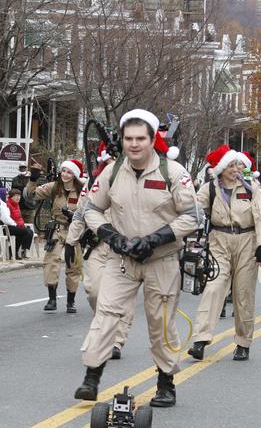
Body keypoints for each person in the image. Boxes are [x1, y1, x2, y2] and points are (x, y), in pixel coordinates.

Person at [76, 109, 200, 406]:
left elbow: (193, 216)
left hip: (162, 259)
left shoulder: (173, 172)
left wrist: (157, 238)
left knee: (161, 322)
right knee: (106, 315)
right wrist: (110, 235)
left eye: (140, 138)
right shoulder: (112, 172)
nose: (134, 144)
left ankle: (166, 382)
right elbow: (91, 208)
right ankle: (92, 377)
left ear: (151, 139)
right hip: (123, 259)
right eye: (128, 138)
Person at [188, 146, 261, 362]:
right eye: (231, 165)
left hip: (247, 241)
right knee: (214, 288)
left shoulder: (251, 186)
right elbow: (193, 210)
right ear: (221, 169)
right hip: (219, 242)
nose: (236, 169)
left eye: (237, 165)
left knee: (243, 294)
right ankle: (200, 339)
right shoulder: (210, 189)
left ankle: (243, 342)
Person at [66, 146, 132, 360]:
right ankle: (106, 328)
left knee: (119, 297)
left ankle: (117, 341)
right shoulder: (93, 183)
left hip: (125, 247)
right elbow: (80, 213)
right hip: (98, 244)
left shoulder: (135, 181)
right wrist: (70, 241)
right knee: (94, 291)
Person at [25, 158, 86, 313]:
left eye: (69, 172)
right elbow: (30, 195)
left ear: (75, 175)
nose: (65, 174)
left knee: (74, 266)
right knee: (51, 264)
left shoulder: (83, 190)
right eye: (64, 171)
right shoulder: (53, 187)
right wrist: (33, 178)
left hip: (75, 231)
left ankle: (70, 301)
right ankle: (52, 299)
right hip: (57, 231)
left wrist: (75, 216)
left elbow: (92, 208)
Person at [2, 189, 35, 258]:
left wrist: (20, 224)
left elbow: (19, 218)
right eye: (16, 196)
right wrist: (16, 224)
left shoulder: (16, 205)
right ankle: (13, 251)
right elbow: (7, 219)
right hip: (8, 227)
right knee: (24, 232)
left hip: (16, 226)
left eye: (19, 196)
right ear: (11, 197)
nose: (18, 197)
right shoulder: (7, 205)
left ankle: (23, 250)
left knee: (30, 231)